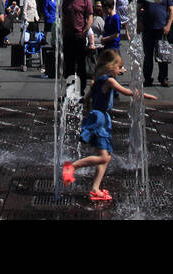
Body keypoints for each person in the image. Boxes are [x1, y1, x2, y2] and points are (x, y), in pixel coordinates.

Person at [61, 47, 157, 202]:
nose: (121, 70)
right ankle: (72, 167)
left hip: (98, 118)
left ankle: (95, 188)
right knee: (104, 158)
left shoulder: (98, 81)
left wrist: (88, 109)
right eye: (119, 68)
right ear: (112, 67)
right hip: (99, 121)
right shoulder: (109, 80)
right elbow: (127, 92)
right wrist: (144, 95)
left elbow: (87, 99)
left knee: (105, 156)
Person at [137, 0, 173, 88]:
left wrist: (168, 25)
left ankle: (163, 78)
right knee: (148, 56)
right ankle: (148, 79)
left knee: (163, 55)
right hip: (148, 29)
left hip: (161, 29)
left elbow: (172, 11)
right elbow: (137, 9)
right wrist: (139, 22)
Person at [61, 0, 93, 89]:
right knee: (69, 64)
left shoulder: (85, 0)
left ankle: (81, 90)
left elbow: (90, 17)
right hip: (68, 36)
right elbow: (63, 16)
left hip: (79, 36)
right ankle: (70, 88)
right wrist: (63, 31)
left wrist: (84, 32)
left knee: (81, 64)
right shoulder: (67, 0)